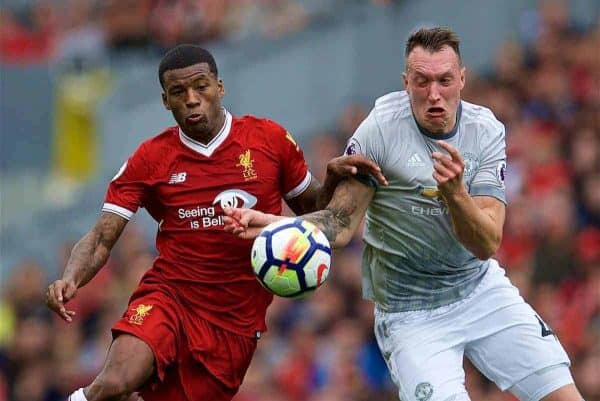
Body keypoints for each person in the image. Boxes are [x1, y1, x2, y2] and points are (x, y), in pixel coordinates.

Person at [223, 28, 585, 401]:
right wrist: (274, 223)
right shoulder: (379, 130)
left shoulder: (485, 131)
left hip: (480, 290)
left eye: (445, 80)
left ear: (462, 78)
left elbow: (487, 242)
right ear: (405, 82)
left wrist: (455, 193)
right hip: (409, 315)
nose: (434, 94)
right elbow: (341, 223)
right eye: (421, 81)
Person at [45, 44, 386, 401]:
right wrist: (71, 278)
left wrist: (331, 180)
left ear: (219, 87)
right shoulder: (150, 159)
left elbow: (312, 214)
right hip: (170, 295)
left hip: (235, 321)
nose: (192, 99)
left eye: (201, 86)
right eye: (178, 92)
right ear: (165, 101)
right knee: (113, 382)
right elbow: (101, 237)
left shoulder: (269, 141)